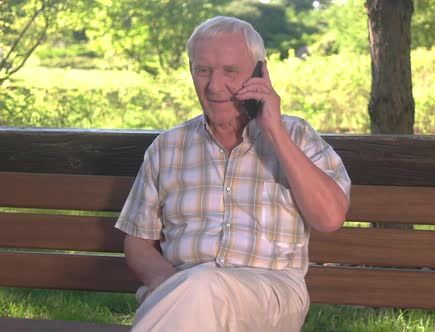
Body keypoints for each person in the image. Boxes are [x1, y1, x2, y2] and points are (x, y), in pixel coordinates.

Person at [115, 16, 351, 332]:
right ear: (190, 72)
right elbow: (138, 242)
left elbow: (330, 217)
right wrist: (169, 285)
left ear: (258, 73)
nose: (214, 86)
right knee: (199, 289)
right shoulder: (167, 147)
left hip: (271, 294)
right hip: (185, 294)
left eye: (229, 72)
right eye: (203, 71)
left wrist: (274, 131)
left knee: (204, 285)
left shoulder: (297, 136)